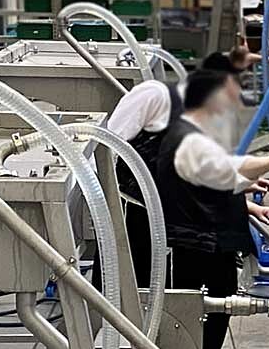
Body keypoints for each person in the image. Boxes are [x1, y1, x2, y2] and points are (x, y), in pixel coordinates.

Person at [155, 69, 269, 349]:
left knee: (212, 316)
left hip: (211, 243)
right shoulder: (184, 138)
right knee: (194, 321)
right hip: (195, 247)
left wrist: (247, 204)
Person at [99, 50, 259, 288]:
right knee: (143, 291)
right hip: (143, 216)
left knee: (207, 295)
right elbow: (106, 147)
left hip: (187, 224)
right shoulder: (155, 96)